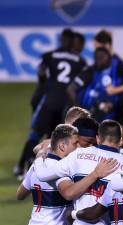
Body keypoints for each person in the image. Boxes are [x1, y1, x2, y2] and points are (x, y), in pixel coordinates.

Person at [15, 29, 86, 178]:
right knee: (56, 136)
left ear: (61, 40)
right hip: (64, 105)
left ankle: (22, 168)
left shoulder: (49, 56)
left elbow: (41, 74)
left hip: (48, 101)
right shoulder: (80, 61)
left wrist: (42, 85)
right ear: (73, 42)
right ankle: (50, 169)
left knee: (35, 134)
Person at [68, 47, 123, 122]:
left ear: (109, 57)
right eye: (97, 57)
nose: (99, 59)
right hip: (91, 115)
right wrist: (80, 111)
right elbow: (71, 89)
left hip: (114, 115)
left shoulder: (119, 70)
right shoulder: (89, 71)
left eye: (102, 56)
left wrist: (114, 104)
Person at [93, 29, 123, 122]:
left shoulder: (117, 62)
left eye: (97, 46)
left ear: (106, 45)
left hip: (116, 107)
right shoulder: (100, 62)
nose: (96, 50)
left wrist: (115, 90)